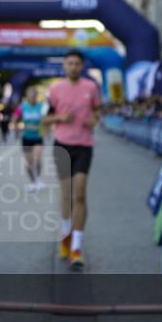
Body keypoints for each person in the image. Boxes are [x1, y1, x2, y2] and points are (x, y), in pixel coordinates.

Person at [43, 50, 101, 271]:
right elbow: (45, 118)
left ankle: (76, 246)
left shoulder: (90, 87)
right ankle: (65, 235)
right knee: (66, 194)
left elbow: (97, 112)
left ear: (82, 66)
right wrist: (60, 117)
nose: (74, 67)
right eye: (70, 63)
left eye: (77, 63)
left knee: (80, 193)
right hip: (62, 145)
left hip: (84, 146)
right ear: (64, 66)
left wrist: (93, 120)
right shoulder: (55, 88)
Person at [12, 86, 48, 191]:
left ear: (37, 96)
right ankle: (33, 182)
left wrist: (46, 130)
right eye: (30, 95)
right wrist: (16, 127)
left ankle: (38, 179)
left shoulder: (41, 107)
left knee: (37, 158)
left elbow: (46, 120)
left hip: (38, 137)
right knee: (29, 162)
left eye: (34, 95)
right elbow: (15, 118)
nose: (32, 97)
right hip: (26, 137)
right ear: (27, 96)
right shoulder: (22, 107)